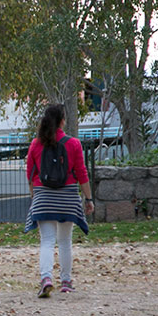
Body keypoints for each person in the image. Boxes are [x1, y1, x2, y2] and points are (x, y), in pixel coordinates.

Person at [25, 103, 94, 298]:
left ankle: (46, 278)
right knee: (65, 241)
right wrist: (88, 198)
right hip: (68, 197)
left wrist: (34, 196)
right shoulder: (73, 144)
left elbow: (30, 173)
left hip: (43, 196)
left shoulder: (36, 144)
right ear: (62, 121)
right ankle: (66, 281)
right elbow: (81, 172)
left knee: (47, 241)